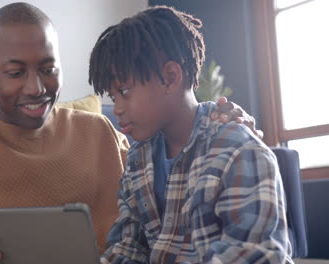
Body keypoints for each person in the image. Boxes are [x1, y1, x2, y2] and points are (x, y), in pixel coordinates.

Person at [0, 2, 262, 264]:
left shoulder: (106, 134)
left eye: (48, 69)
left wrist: (218, 124)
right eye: (16, 72)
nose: (36, 88)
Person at [88, 5, 292, 264]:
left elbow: (254, 255)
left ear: (171, 77)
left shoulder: (238, 152)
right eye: (112, 96)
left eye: (125, 91)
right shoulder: (138, 160)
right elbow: (129, 246)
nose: (116, 109)